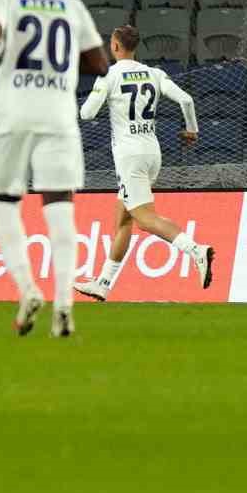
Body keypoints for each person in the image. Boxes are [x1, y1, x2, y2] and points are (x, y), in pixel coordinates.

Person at [0, 0, 108, 338]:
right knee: (60, 205)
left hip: (10, 111)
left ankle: (28, 290)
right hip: (58, 114)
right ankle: (65, 304)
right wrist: (63, 68)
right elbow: (100, 63)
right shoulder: (73, 5)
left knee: (4, 203)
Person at [76, 25, 213, 302]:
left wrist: (97, 93)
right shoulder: (155, 73)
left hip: (130, 156)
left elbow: (87, 114)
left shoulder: (110, 75)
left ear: (115, 47)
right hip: (152, 152)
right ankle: (103, 282)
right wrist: (192, 129)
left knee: (144, 219)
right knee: (124, 218)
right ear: (135, 46)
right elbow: (186, 99)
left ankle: (196, 250)